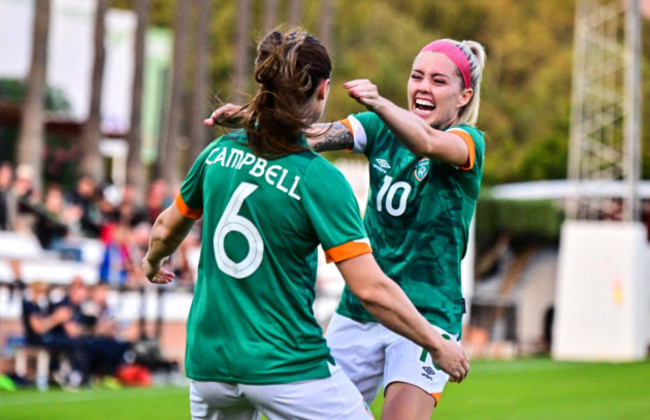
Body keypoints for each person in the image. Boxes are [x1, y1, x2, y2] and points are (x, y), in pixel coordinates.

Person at [146, 29, 468, 420]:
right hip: (301, 352)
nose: (423, 86)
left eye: (438, 80)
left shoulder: (218, 151)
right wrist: (254, 118)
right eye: (417, 75)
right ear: (323, 89)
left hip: (210, 363)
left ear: (464, 95)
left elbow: (427, 144)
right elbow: (308, 135)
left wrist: (151, 262)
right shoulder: (325, 175)